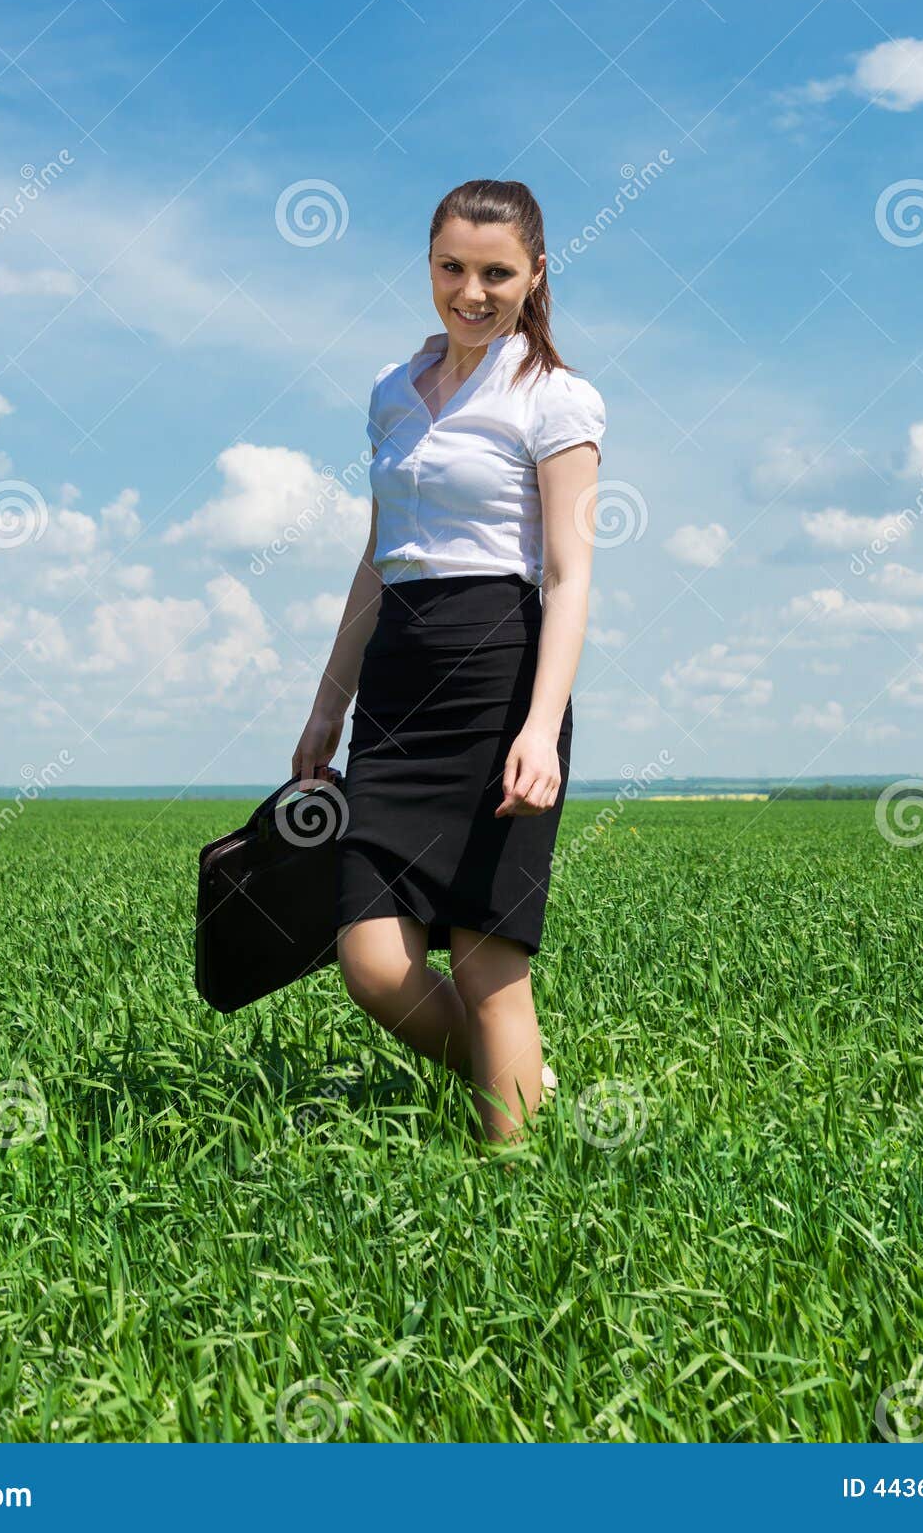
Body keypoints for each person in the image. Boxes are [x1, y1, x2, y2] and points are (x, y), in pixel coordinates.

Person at [291, 178, 605, 1148]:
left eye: (497, 273)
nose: (473, 291)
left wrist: (540, 727)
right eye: (452, 268)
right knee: (373, 964)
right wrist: (325, 710)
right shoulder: (393, 391)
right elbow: (375, 562)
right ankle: (518, 1080)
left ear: (537, 274)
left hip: (495, 676)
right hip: (396, 683)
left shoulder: (556, 398)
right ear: (429, 264)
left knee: (485, 960)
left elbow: (569, 570)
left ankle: (510, 1191)